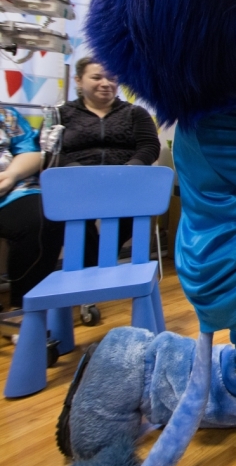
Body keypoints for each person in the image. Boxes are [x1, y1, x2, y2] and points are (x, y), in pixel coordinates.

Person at [56, 57, 161, 266]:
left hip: (124, 183)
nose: (106, 83)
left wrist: (128, 170)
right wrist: (74, 170)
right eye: (96, 77)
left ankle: (95, 266)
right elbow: (53, 151)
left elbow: (149, 147)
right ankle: (96, 269)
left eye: (112, 78)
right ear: (78, 80)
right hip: (77, 184)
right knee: (76, 222)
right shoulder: (62, 114)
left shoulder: (135, 113)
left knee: (131, 216)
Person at [0, 107, 63, 309]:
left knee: (45, 218)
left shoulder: (6, 115)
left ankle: (25, 308)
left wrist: (11, 176)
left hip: (12, 189)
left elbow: (30, 151)